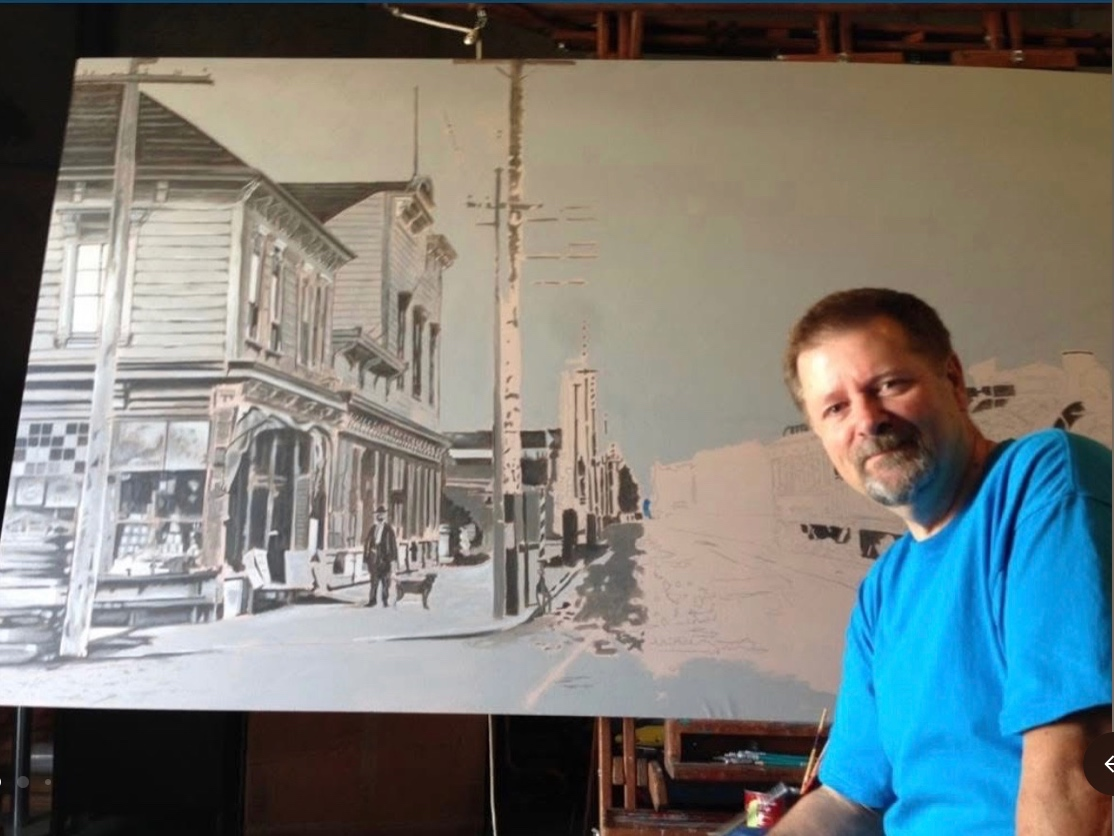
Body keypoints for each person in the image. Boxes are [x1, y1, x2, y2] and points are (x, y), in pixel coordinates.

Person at [770, 288, 1111, 835]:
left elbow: (1083, 756)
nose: (868, 420)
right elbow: (847, 802)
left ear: (953, 379)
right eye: (836, 408)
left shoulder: (1044, 480)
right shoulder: (884, 589)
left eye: (889, 385)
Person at [362, 505, 398, 607]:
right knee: (374, 581)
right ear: (376, 516)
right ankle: (372, 600)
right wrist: (365, 560)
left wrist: (394, 560)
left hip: (385, 559)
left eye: (382, 514)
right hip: (374, 560)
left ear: (385, 516)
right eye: (378, 514)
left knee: (385, 582)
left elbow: (393, 545)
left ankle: (385, 600)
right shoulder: (373, 528)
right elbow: (367, 544)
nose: (380, 516)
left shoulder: (389, 529)